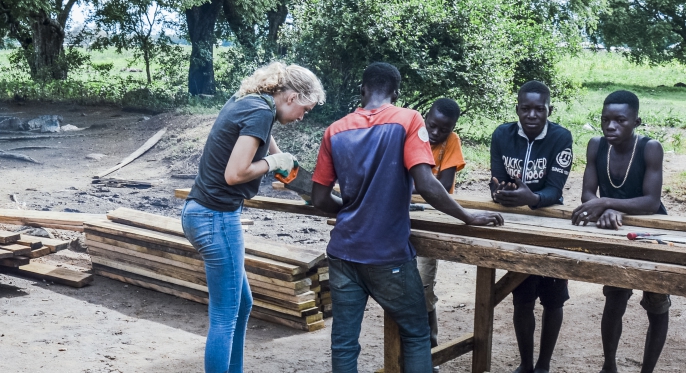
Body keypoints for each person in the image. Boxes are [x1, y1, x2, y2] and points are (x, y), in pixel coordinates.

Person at [312, 63, 504, 373]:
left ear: (363, 91)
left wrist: (354, 210)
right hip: (387, 256)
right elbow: (427, 184)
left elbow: (320, 199)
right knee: (416, 334)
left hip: (343, 252)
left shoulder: (334, 130)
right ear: (396, 93)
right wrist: (467, 216)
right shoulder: (408, 120)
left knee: (344, 342)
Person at [183, 62, 324, 373]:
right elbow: (235, 174)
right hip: (216, 217)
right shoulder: (260, 111)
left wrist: (307, 190)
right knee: (224, 314)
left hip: (202, 213)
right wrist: (275, 162)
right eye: (305, 109)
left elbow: (280, 160)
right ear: (292, 98)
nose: (302, 117)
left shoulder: (253, 102)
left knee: (241, 304)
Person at [570, 90, 668, 373]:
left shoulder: (650, 148)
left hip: (651, 233)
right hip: (615, 231)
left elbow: (651, 201)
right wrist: (606, 208)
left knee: (657, 302)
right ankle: (608, 365)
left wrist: (609, 203)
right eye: (605, 120)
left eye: (620, 121)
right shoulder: (596, 146)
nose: (610, 126)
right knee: (614, 296)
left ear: (636, 122)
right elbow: (587, 193)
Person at [489, 80, 574, 373]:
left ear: (549, 109)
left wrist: (532, 198)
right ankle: (525, 364)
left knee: (553, 299)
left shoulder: (561, 137)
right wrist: (499, 192)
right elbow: (497, 178)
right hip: (516, 224)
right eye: (526, 108)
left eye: (540, 109)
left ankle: (543, 365)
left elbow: (555, 189)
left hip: (550, 225)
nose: (533, 115)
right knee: (521, 297)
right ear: (518, 109)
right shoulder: (502, 134)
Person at [417, 97, 465, 349]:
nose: (435, 133)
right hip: (405, 218)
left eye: (443, 130)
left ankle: (429, 350)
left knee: (423, 287)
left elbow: (444, 185)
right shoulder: (413, 134)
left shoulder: (451, 142)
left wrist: (417, 185)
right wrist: (424, 185)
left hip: (432, 221)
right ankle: (407, 351)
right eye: (432, 126)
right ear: (426, 117)